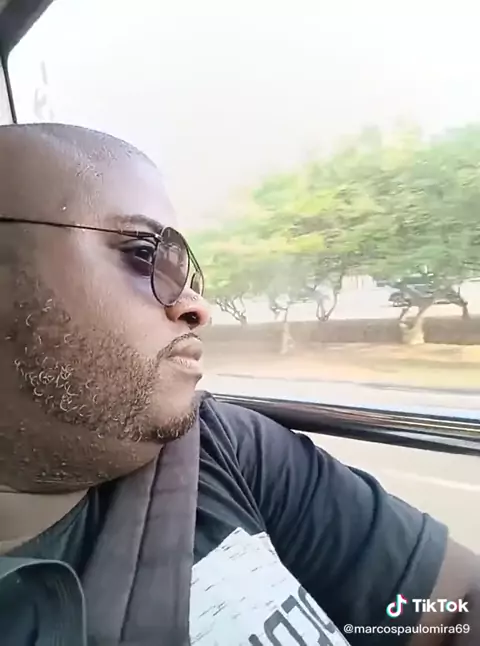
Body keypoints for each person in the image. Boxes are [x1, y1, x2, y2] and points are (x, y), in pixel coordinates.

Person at [0, 123, 477, 646]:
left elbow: (455, 606)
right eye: (143, 253)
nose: (196, 306)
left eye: (187, 272)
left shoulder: (221, 447)